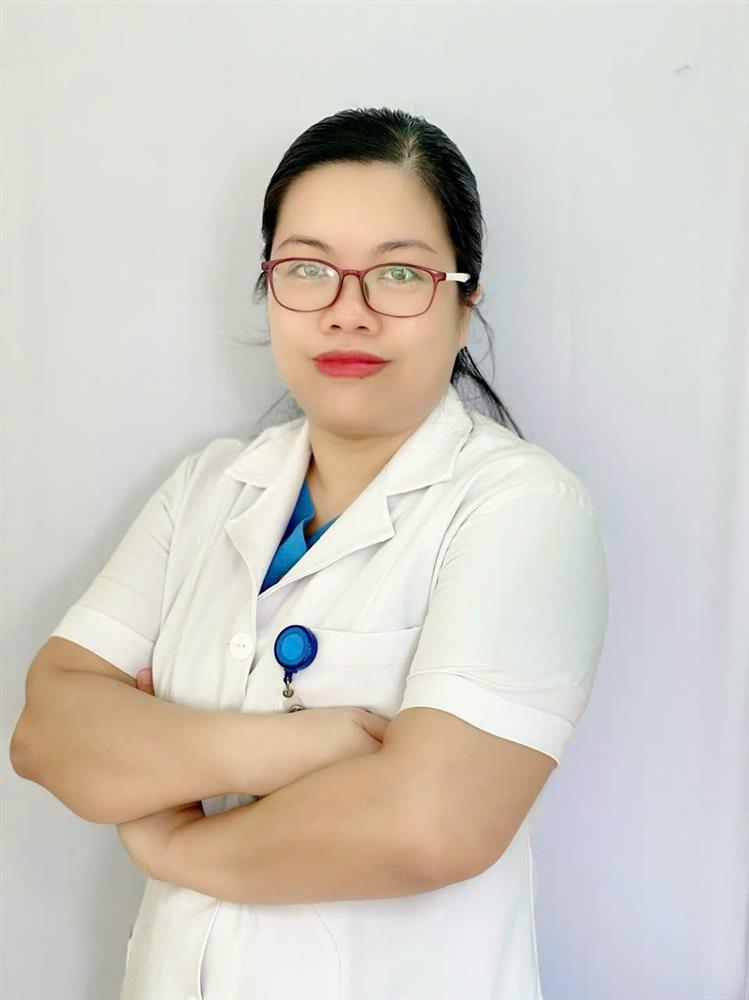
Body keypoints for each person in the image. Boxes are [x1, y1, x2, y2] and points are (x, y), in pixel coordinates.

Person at [14, 106, 610, 999]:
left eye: (399, 274)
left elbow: (430, 826)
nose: (347, 314)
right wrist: (287, 751)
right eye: (307, 270)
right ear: (269, 287)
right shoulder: (207, 489)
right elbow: (47, 732)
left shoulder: (520, 507)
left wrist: (175, 839)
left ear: (464, 302)